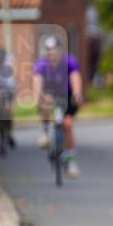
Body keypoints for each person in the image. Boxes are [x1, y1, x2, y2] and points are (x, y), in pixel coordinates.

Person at [34, 36, 84, 178]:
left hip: (67, 96)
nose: (52, 53)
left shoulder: (69, 61)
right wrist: (40, 95)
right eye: (49, 50)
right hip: (50, 94)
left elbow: (75, 77)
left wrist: (77, 93)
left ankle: (70, 160)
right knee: (44, 103)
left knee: (67, 125)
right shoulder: (42, 64)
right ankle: (44, 132)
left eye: (55, 50)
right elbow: (37, 81)